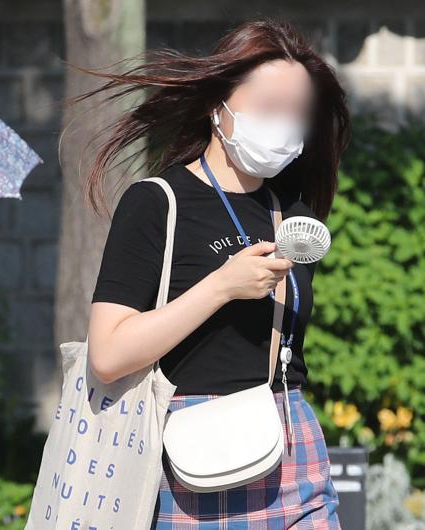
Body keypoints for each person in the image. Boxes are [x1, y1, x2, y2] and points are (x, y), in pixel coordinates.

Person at [76, 19, 350, 528]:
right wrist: (222, 286)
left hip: (293, 444)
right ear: (215, 106)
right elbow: (108, 355)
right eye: (268, 107)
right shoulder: (157, 203)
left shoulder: (290, 213)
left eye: (297, 112)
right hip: (195, 458)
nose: (284, 125)